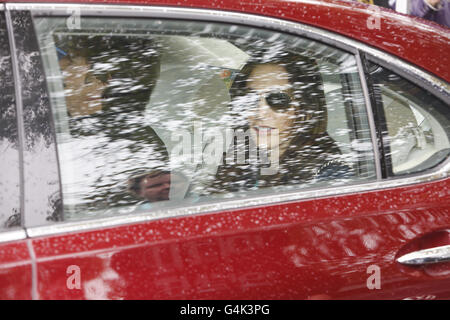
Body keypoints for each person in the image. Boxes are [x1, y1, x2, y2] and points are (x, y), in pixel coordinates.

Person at [206, 52, 352, 194]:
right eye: (249, 98)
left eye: (278, 100)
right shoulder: (242, 158)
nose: (259, 112)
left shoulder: (328, 177)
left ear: (306, 110)